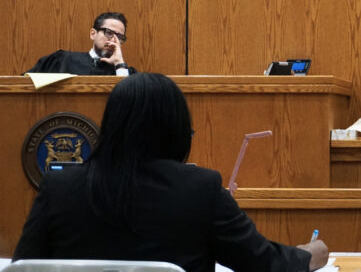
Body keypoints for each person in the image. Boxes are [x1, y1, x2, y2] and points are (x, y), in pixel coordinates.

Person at [13, 73, 329, 272]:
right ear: (175, 129)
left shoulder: (58, 186)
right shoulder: (200, 188)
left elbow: (24, 266)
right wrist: (310, 255)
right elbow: (263, 262)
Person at [24, 12, 136, 76]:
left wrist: (119, 64)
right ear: (93, 34)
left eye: (119, 37)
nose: (113, 40)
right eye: (109, 33)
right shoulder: (63, 60)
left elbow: (129, 100)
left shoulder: (126, 73)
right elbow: (24, 85)